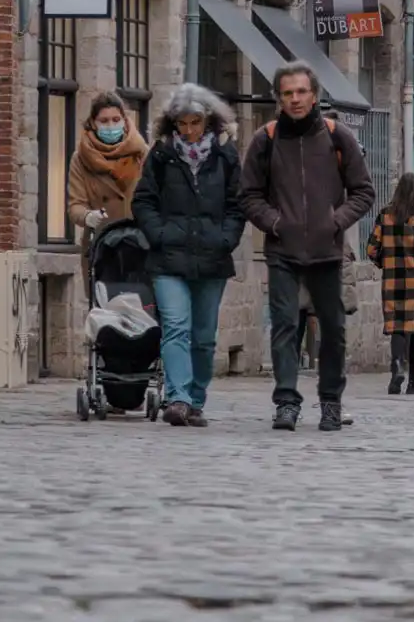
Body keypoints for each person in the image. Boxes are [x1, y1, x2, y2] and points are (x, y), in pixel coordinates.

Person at [240, 59, 375, 433]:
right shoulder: (265, 139)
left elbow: (364, 191)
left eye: (301, 92)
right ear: (279, 98)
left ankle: (330, 401)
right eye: (288, 93)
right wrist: (274, 222)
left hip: (327, 251)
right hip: (283, 251)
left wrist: (335, 220)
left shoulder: (337, 136)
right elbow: (248, 195)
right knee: (284, 327)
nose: (295, 99)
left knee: (333, 330)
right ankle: (286, 402)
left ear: (313, 95)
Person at [130, 84, 244, 428]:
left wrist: (226, 238)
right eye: (182, 123)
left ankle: (196, 399)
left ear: (208, 122)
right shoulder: (162, 155)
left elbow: (238, 204)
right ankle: (177, 398)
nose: (189, 130)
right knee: (176, 327)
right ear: (173, 123)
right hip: (169, 257)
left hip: (212, 257)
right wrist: (159, 234)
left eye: (195, 122)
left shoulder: (226, 155)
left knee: (204, 335)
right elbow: (143, 200)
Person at [365, 171, 414, 396]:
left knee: (397, 326)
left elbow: (371, 249)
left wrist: (386, 262)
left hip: (393, 280)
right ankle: (413, 381)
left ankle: (396, 368)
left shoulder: (385, 215)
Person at [67, 91, 147, 284]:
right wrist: (87, 216)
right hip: (103, 246)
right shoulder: (81, 158)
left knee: (140, 308)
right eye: (104, 121)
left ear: (125, 121)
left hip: (141, 244)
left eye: (115, 119)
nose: (110, 126)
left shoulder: (142, 153)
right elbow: (75, 205)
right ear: (93, 123)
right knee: (105, 309)